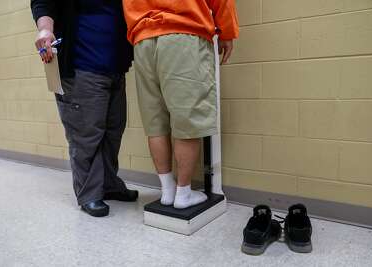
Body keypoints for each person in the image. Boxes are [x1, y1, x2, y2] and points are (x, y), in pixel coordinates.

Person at [123, 0, 239, 209]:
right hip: (182, 31)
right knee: (188, 119)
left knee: (155, 120)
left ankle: (167, 189)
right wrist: (227, 32)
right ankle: (183, 193)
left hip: (142, 39)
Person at [31, 0, 138, 217]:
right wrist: (45, 28)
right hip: (82, 67)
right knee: (86, 134)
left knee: (112, 131)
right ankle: (89, 193)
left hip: (115, 68)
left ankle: (108, 184)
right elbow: (43, 2)